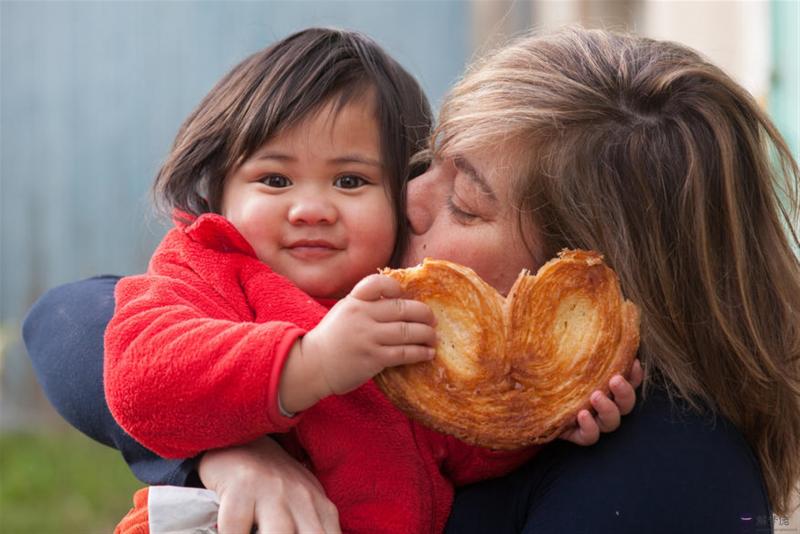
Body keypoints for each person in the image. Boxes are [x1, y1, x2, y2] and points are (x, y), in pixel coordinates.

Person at [24, 25, 798, 533]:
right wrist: (237, 443)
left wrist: (541, 421)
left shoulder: (668, 474)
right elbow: (76, 324)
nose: (409, 200)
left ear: (579, 294)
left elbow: (449, 455)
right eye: (428, 164)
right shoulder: (346, 304)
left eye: (462, 201)